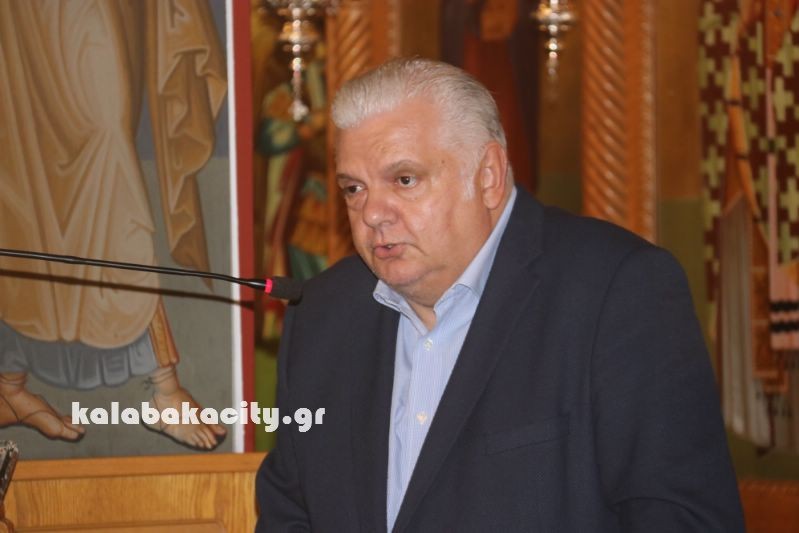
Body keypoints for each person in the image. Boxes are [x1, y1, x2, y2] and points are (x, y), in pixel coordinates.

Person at [255, 58, 744, 532]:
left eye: (404, 180)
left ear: (487, 175)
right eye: (353, 189)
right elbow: (289, 513)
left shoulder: (616, 291)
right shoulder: (323, 315)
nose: (372, 213)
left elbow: (682, 519)